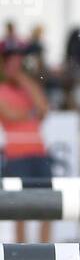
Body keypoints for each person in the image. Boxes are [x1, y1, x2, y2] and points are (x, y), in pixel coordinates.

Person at [0, 47, 53, 242]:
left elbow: (43, 108)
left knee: (50, 207)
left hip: (39, 154)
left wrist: (23, 78)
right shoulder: (2, 90)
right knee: (20, 210)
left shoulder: (27, 88)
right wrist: (32, 112)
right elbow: (11, 115)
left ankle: (46, 250)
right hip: (17, 157)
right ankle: (22, 253)